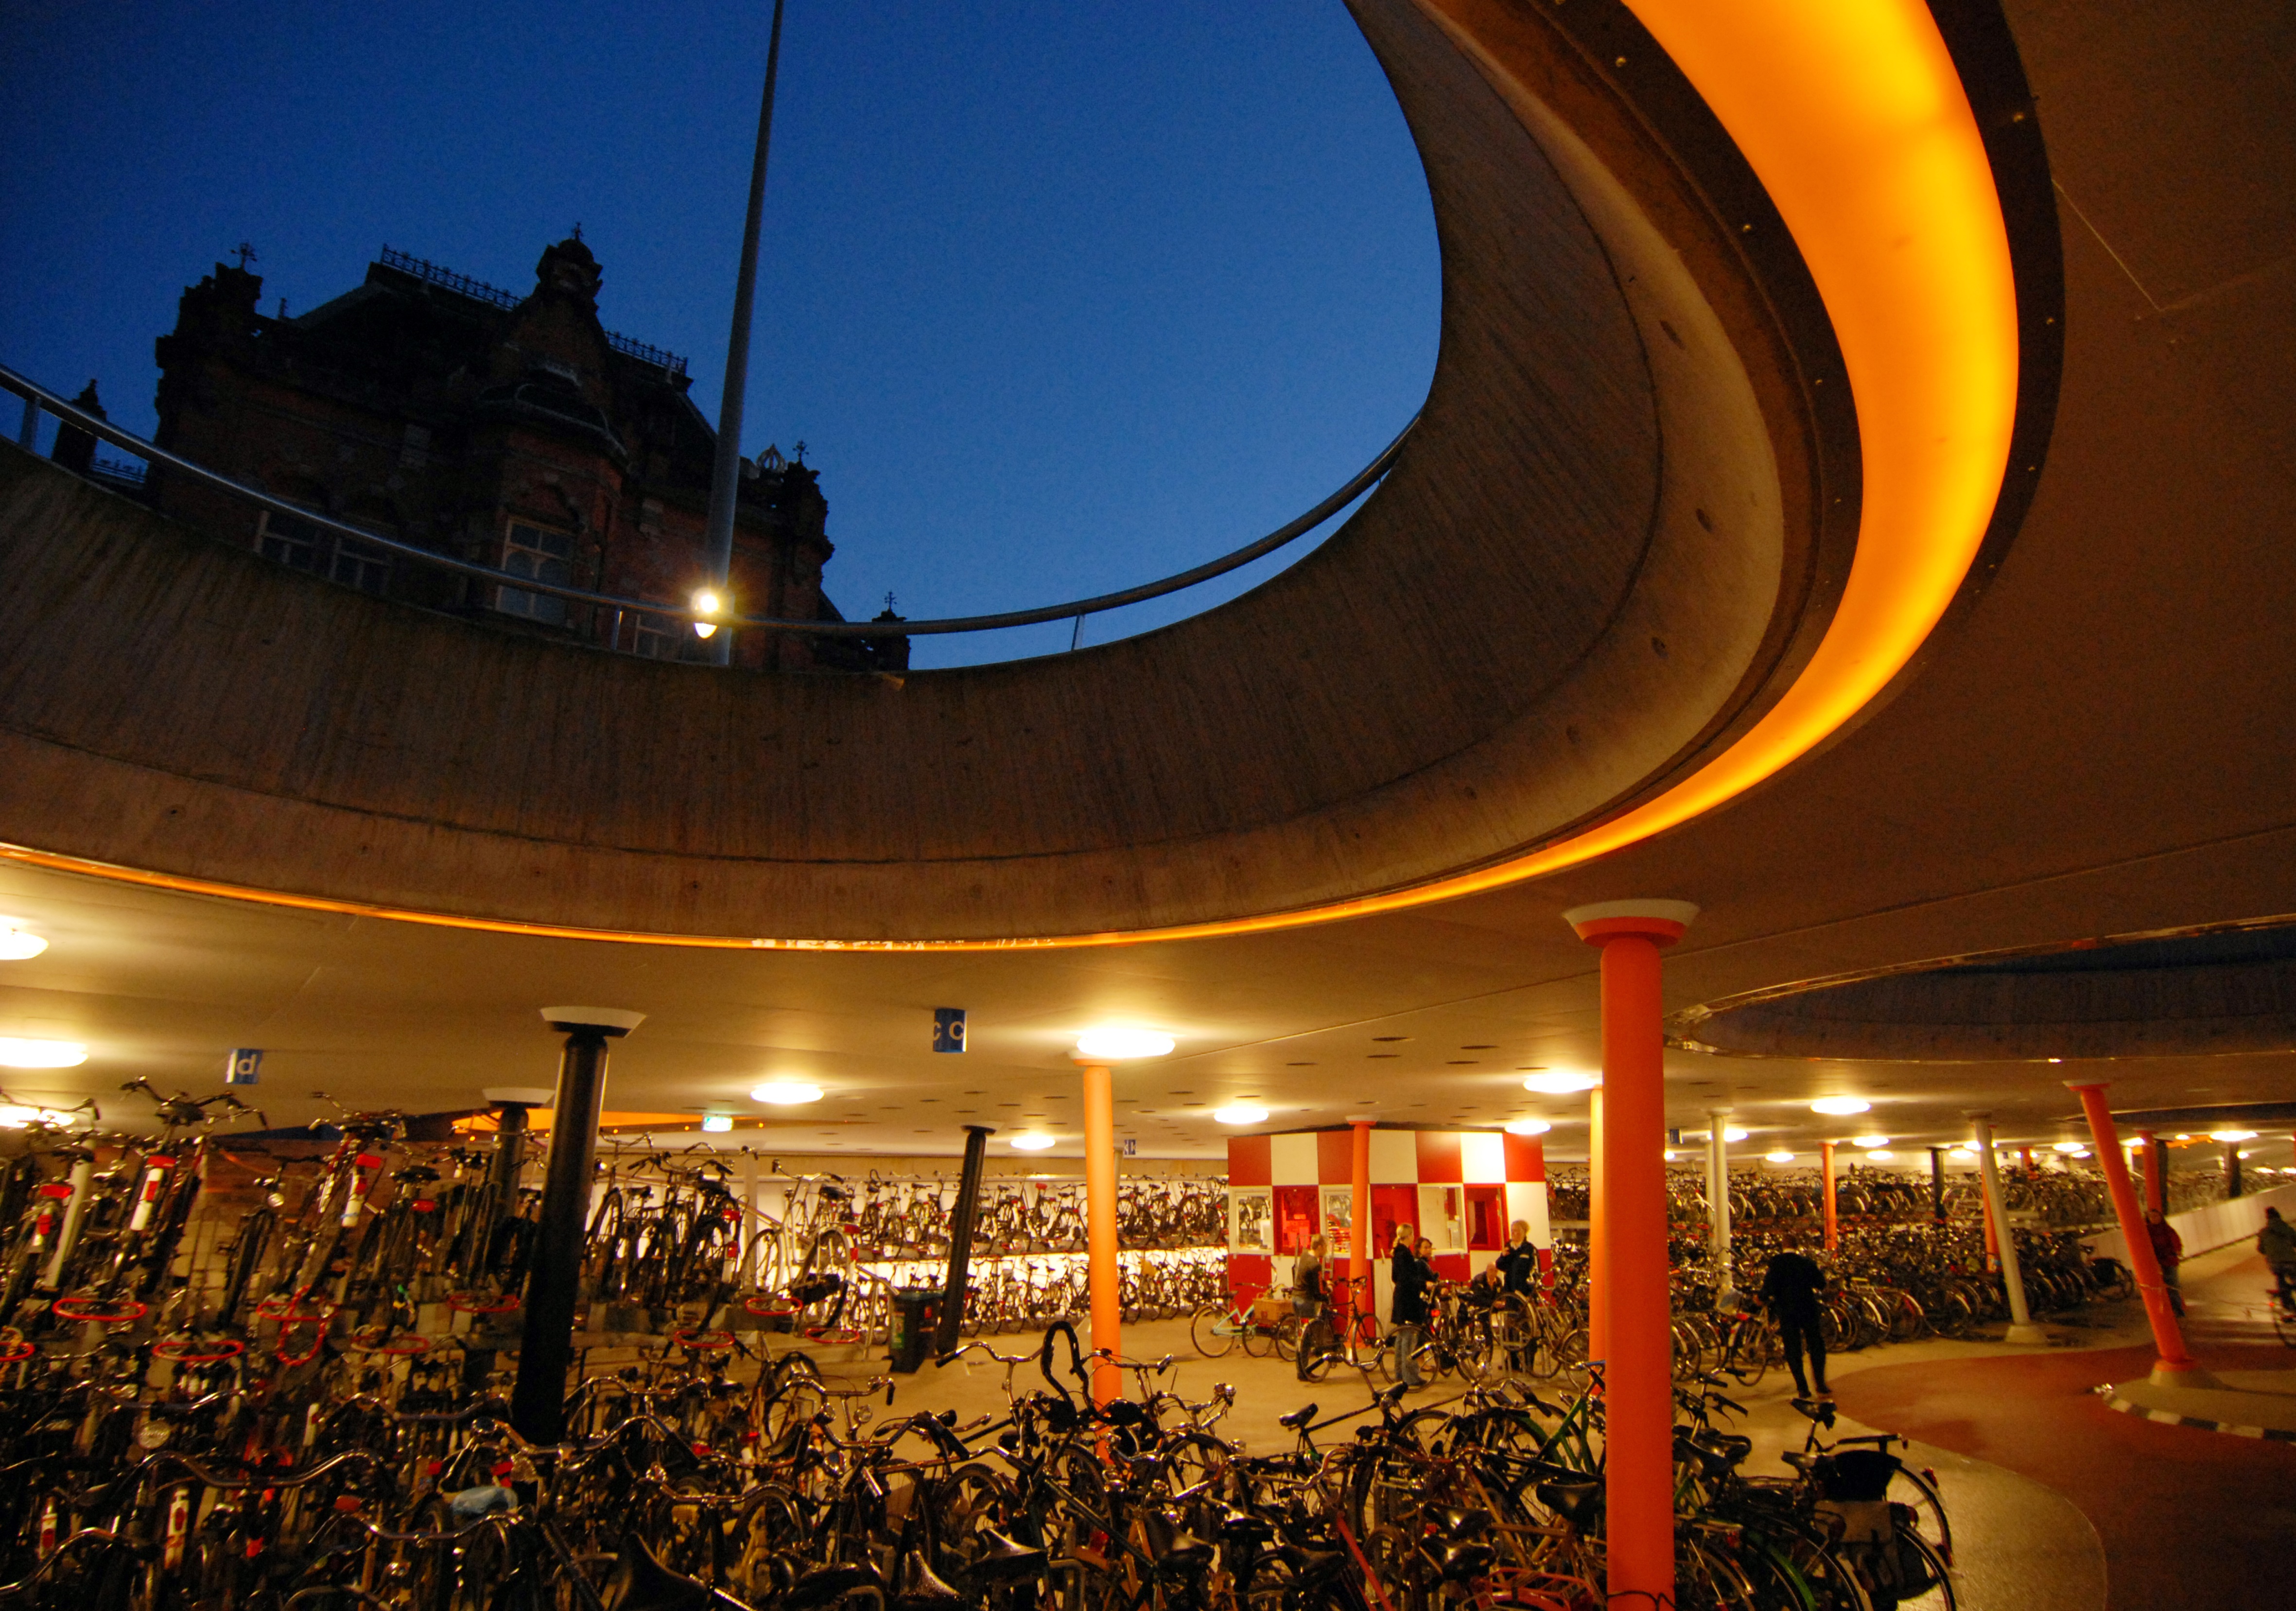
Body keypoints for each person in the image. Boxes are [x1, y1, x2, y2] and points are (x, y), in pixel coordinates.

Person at [1760, 1247, 1831, 1400]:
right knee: (1816, 1344)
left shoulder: (1777, 1265)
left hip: (1787, 1311)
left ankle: (1803, 1388)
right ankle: (1821, 1383)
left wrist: (1761, 1298)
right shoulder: (1806, 1263)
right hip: (1808, 1308)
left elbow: (1768, 1288)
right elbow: (1821, 1283)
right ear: (1797, 1247)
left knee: (1793, 1349)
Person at [1391, 1226, 1429, 1388]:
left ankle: (1399, 1373)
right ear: (1409, 1236)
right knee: (1409, 1338)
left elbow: (1396, 1277)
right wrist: (1423, 1284)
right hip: (1408, 1299)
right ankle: (1410, 1376)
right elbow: (1409, 1278)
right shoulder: (1406, 1255)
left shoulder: (1396, 1254)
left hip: (1400, 1296)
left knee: (1401, 1337)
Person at [2144, 1208, 2184, 1316]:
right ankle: (2163, 1309)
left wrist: (2177, 1251)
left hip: (2168, 1259)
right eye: (2152, 1217)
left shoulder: (2167, 1230)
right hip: (2155, 1261)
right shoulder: (2147, 1231)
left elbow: (2176, 1242)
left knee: (2172, 1284)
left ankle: (2177, 1308)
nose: (2154, 1219)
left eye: (2156, 1217)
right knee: (2157, 1286)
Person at [2259, 1207, 2296, 1308]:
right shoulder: (2288, 1229)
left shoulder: (2263, 1233)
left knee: (2280, 1278)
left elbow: (2261, 1249)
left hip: (2274, 1264)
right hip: (2291, 1262)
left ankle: (2289, 1306)